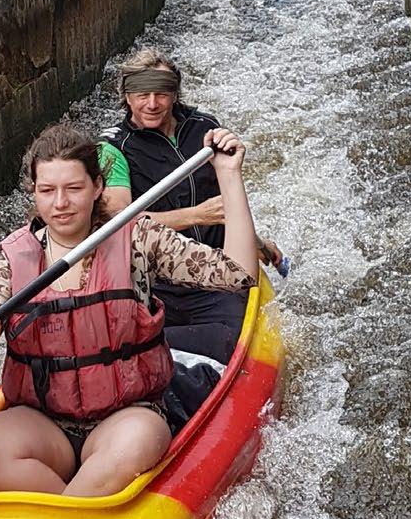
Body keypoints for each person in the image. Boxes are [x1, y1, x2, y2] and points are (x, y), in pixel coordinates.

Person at [0, 121, 258, 498]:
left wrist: (228, 174)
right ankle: (70, 503)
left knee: (135, 441)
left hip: (124, 416)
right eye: (47, 190)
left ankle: (68, 515)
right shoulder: (14, 259)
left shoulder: (137, 237)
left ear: (97, 187)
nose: (60, 203)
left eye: (74, 188)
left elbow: (239, 274)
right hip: (44, 425)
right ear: (34, 193)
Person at [99, 48, 282, 365]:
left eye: (162, 93)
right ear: (126, 96)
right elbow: (117, 223)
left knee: (229, 342)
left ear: (175, 93)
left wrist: (255, 243)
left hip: (216, 275)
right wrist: (195, 216)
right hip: (157, 286)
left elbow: (226, 204)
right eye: (142, 94)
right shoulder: (112, 149)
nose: (152, 104)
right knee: (133, 351)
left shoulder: (204, 129)